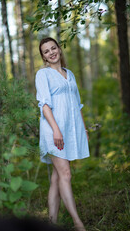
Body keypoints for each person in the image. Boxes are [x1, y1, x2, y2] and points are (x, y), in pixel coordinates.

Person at [35, 37, 90, 231]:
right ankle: (78, 224)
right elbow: (45, 105)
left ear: (59, 49)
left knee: (57, 178)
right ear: (43, 57)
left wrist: (83, 129)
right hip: (53, 131)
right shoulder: (43, 75)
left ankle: (52, 223)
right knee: (65, 174)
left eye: (53, 48)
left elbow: (77, 105)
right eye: (46, 51)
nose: (51, 53)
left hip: (70, 130)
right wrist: (56, 130)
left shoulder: (70, 74)